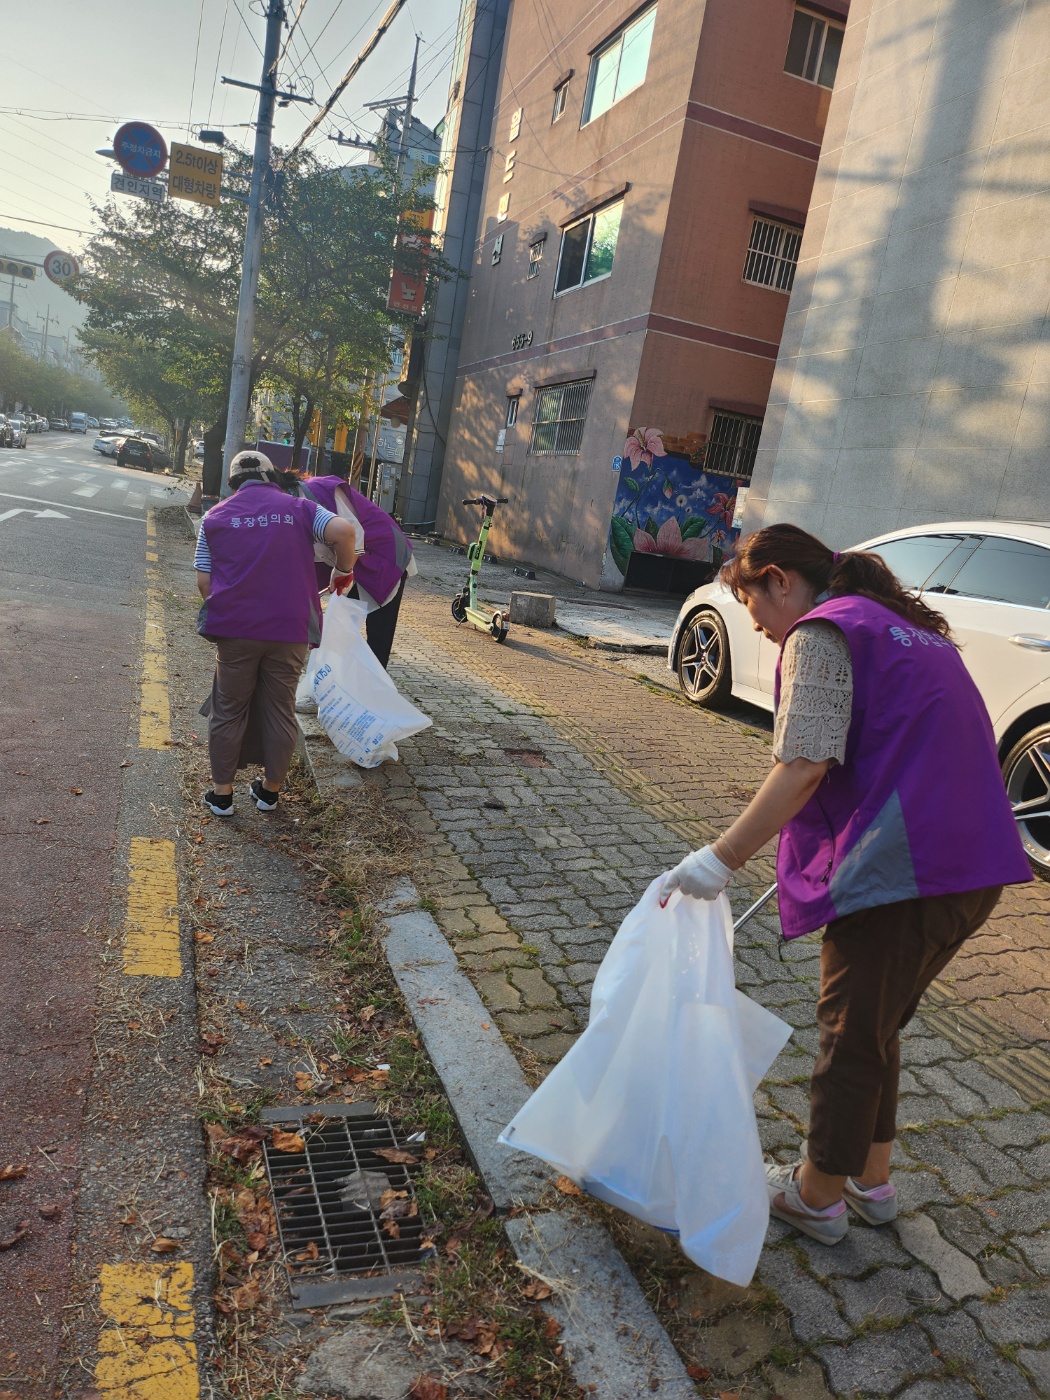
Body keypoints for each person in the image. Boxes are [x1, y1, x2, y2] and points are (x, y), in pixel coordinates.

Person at [661, 523, 1031, 1245]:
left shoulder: (824, 632)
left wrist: (719, 859)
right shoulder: (900, 626)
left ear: (778, 579)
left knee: (849, 1035)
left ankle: (816, 1196)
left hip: (907, 870)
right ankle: (871, 1180)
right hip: (973, 865)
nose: (762, 631)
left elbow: (803, 765)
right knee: (877, 1025)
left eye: (755, 607)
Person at [195, 450, 357, 816]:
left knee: (229, 709)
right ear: (271, 477)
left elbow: (205, 582)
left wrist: (232, 609)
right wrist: (343, 570)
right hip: (290, 628)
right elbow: (344, 532)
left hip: (236, 629)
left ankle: (222, 795)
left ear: (233, 482)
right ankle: (269, 793)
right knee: (281, 708)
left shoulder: (214, 517)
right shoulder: (299, 509)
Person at [296, 473, 415, 669]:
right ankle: (337, 682)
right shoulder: (287, 509)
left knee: (379, 634)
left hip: (383, 553)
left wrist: (343, 571)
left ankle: (371, 690)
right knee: (340, 628)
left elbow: (352, 532)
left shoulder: (317, 492)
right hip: (350, 563)